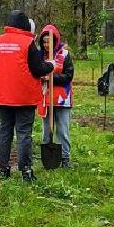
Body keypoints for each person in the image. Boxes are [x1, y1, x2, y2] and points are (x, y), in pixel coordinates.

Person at [0, 10, 56, 181]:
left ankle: (3, 169)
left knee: (4, 131)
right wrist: (50, 65)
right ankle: (26, 170)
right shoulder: (28, 42)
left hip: (3, 96)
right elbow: (38, 68)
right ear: (25, 24)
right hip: (24, 96)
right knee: (24, 133)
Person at [36, 23, 75, 168]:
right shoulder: (39, 56)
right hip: (46, 100)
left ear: (55, 41)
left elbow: (68, 76)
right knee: (47, 132)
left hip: (62, 99)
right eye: (44, 41)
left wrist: (52, 78)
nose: (46, 45)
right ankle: (48, 159)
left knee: (63, 131)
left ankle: (65, 158)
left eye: (49, 41)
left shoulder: (64, 55)